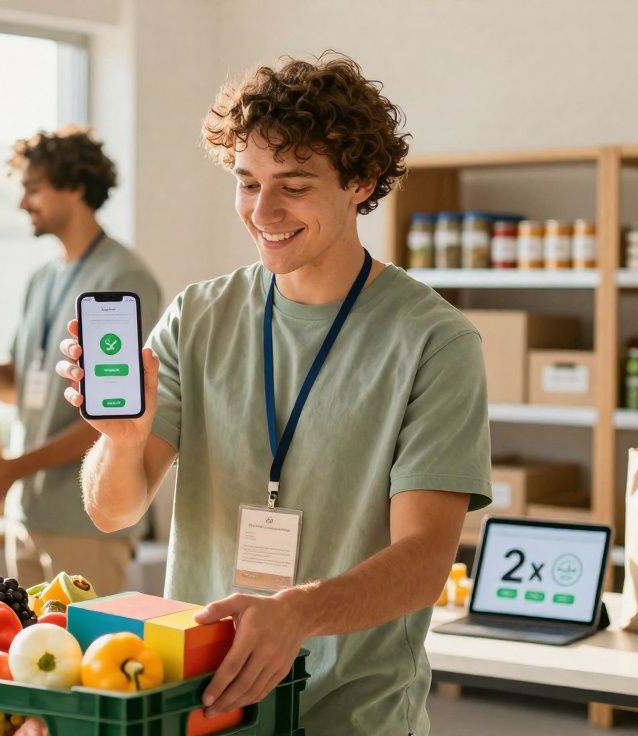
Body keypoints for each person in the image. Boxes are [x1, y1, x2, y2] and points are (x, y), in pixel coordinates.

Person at [52, 54, 491, 735]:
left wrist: (299, 611)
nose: (263, 211)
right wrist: (125, 441)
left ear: (361, 181)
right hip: (198, 703)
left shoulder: (434, 341)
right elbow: (113, 511)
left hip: (350, 715)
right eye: (247, 182)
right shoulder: (198, 316)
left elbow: (423, 563)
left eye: (294, 184)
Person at [0, 127, 162, 594]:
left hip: (85, 518)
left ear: (76, 187)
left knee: (85, 659)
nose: (23, 203)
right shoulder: (42, 278)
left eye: (33, 188)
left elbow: (114, 413)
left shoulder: (122, 277)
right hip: (26, 513)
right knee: (26, 660)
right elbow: (17, 385)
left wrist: (13, 467)